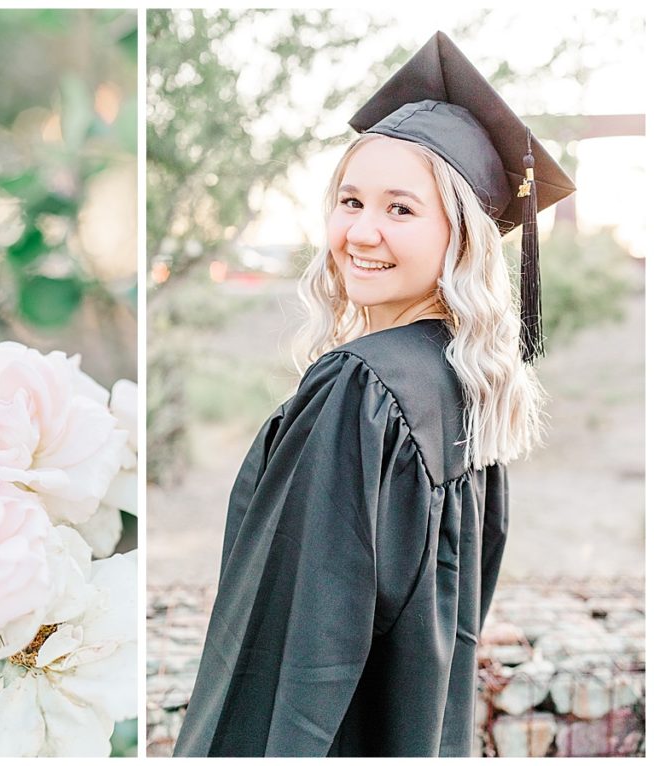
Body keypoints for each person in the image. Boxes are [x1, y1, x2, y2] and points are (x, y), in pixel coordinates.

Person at [172, 31, 575, 757]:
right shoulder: (465, 389)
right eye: (351, 201)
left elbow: (293, 650)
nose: (362, 231)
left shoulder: (361, 387)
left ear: (462, 238)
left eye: (401, 209)